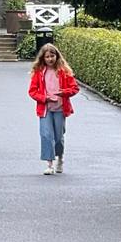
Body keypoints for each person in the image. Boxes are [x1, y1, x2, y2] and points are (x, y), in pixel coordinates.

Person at [28, 43, 79, 175]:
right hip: (45, 108)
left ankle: (60, 157)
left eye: (52, 56)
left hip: (60, 108)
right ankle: (49, 163)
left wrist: (64, 92)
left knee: (58, 137)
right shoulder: (39, 73)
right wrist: (44, 98)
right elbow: (32, 91)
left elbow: (75, 88)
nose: (50, 59)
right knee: (46, 135)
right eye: (47, 57)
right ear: (43, 58)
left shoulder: (64, 71)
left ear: (57, 56)